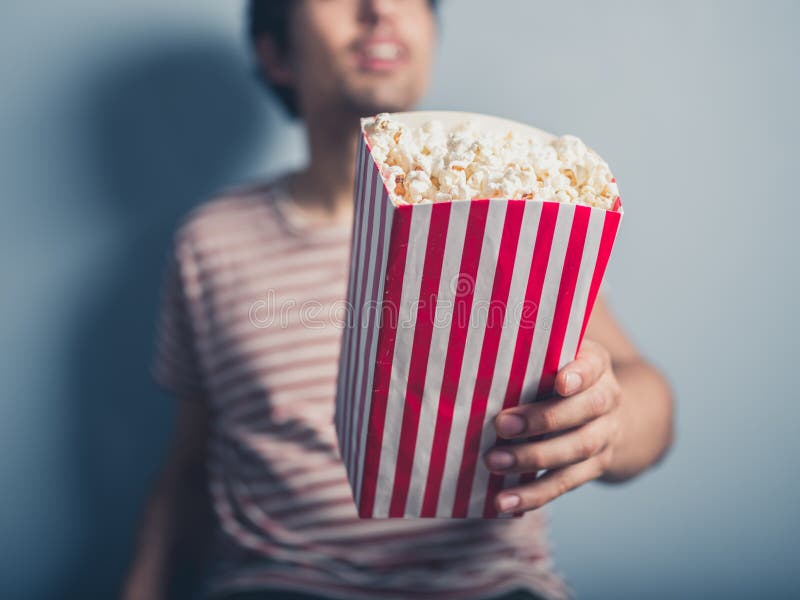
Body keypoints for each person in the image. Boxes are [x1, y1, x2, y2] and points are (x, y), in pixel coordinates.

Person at [119, 1, 674, 599]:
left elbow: (645, 395)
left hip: (486, 584)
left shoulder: (514, 224)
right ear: (276, 53)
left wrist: (605, 427)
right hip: (278, 584)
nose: (380, 9)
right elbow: (191, 467)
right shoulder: (210, 243)